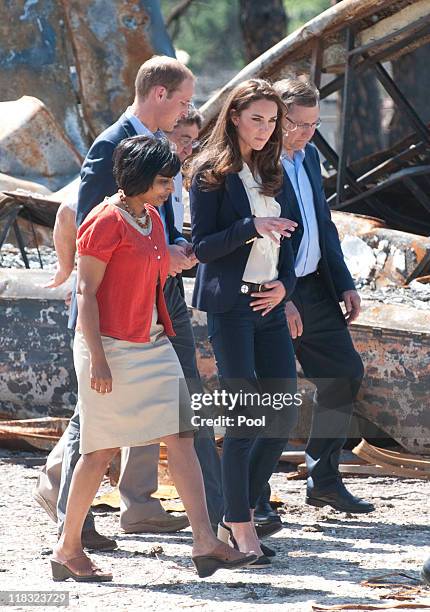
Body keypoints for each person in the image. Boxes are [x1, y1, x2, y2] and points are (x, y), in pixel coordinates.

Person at [34, 56, 223, 550]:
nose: (188, 110)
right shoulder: (114, 145)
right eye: (183, 100)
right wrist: (71, 282)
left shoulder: (157, 151)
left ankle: (198, 528)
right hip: (111, 317)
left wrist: (169, 254)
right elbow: (83, 220)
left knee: (174, 419)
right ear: (159, 94)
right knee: (93, 430)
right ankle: (69, 526)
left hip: (155, 305)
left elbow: (146, 228)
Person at [50, 136, 255, 582]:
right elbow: (85, 293)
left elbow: (156, 269)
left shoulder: (152, 218)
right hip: (109, 347)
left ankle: (204, 541)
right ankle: (67, 550)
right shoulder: (104, 221)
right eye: (164, 182)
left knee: (183, 436)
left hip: (153, 343)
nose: (169, 190)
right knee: (99, 451)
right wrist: (98, 360)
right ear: (140, 179)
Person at [188, 79, 299, 566]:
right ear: (233, 116)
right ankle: (239, 521)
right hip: (230, 308)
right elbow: (205, 249)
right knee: (244, 417)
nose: (266, 128)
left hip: (269, 305)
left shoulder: (274, 170)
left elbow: (291, 243)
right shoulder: (209, 173)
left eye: (272, 120)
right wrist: (250, 228)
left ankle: (240, 507)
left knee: (283, 413)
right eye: (257, 118)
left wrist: (286, 288)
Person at [254, 78, 373, 521]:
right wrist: (282, 297)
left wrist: (344, 282)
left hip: (316, 289)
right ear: (276, 119)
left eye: (313, 124)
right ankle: (254, 496)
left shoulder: (308, 158)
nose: (305, 132)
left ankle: (323, 480)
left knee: (344, 373)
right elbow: (261, 240)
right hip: (274, 292)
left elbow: (323, 226)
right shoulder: (259, 166)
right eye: (297, 124)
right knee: (274, 392)